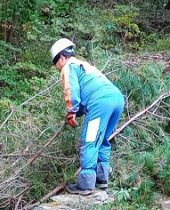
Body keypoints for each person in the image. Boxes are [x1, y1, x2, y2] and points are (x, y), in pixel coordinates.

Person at [50, 38, 125, 195]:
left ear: (61, 57)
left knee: (90, 141)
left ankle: (85, 185)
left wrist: (71, 111)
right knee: (102, 139)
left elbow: (72, 90)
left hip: (100, 103)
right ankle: (102, 179)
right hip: (117, 98)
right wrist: (78, 110)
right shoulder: (84, 65)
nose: (58, 69)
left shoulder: (68, 66)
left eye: (56, 64)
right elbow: (89, 89)